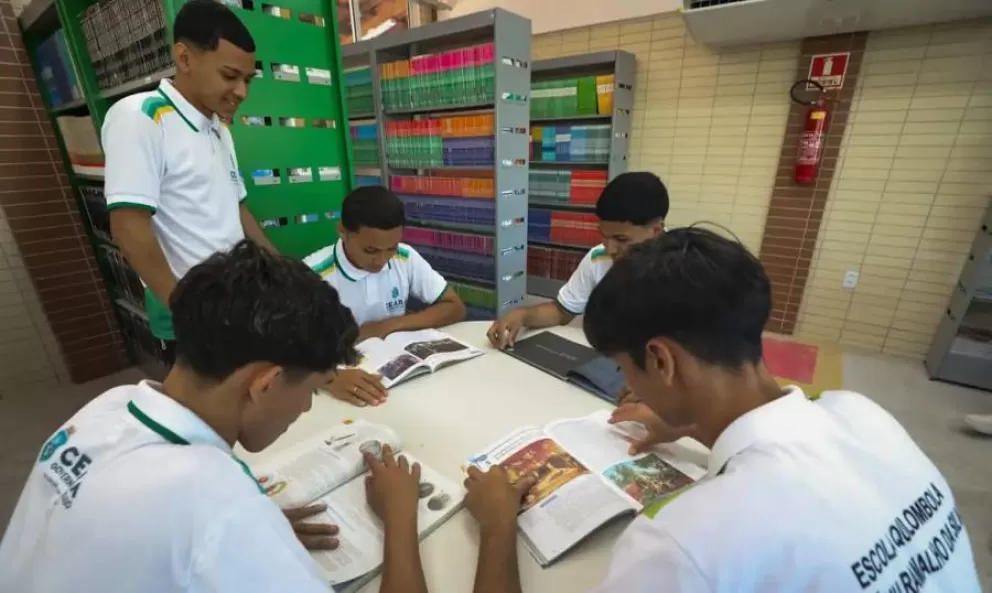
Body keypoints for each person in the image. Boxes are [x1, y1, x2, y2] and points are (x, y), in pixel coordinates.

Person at [463, 228, 982, 593]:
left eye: (624, 368)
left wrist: (499, 525)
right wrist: (692, 423)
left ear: (661, 360)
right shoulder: (863, 414)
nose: (627, 383)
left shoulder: (684, 541)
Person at [0, 241, 431, 593]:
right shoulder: (215, 502)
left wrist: (249, 537)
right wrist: (399, 516)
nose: (305, 407)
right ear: (265, 384)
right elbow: (201, 515)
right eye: (310, 389)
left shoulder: (107, 407)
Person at [104, 0, 277, 366]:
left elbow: (236, 209)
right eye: (229, 76)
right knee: (209, 400)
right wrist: (186, 312)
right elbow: (129, 226)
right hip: (189, 311)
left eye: (247, 80)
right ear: (184, 58)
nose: (242, 92)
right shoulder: (141, 118)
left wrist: (282, 270)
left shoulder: (218, 128)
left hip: (235, 300)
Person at [304, 186, 466, 407]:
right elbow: (281, 349)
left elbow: (455, 307)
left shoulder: (404, 257)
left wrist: (388, 325)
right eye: (370, 250)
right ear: (342, 231)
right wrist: (329, 379)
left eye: (391, 248)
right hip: (337, 390)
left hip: (400, 382)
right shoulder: (313, 275)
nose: (381, 261)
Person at [486, 171, 668, 350]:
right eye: (604, 236)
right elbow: (561, 311)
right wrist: (522, 315)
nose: (610, 249)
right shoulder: (598, 258)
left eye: (621, 239)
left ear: (656, 231)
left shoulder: (679, 270)